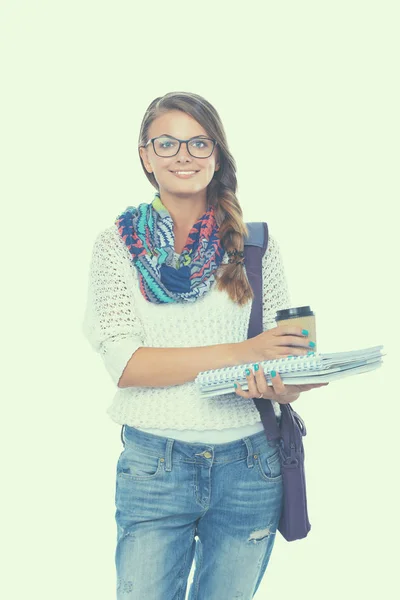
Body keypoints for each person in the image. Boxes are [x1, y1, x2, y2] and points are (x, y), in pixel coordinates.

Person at [82, 91, 327, 599]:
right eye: (167, 143)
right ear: (145, 156)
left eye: (198, 142)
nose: (183, 155)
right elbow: (127, 365)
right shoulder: (114, 246)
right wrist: (245, 351)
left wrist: (285, 388)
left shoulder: (255, 243)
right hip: (155, 466)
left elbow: (283, 356)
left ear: (217, 155)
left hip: (250, 465)